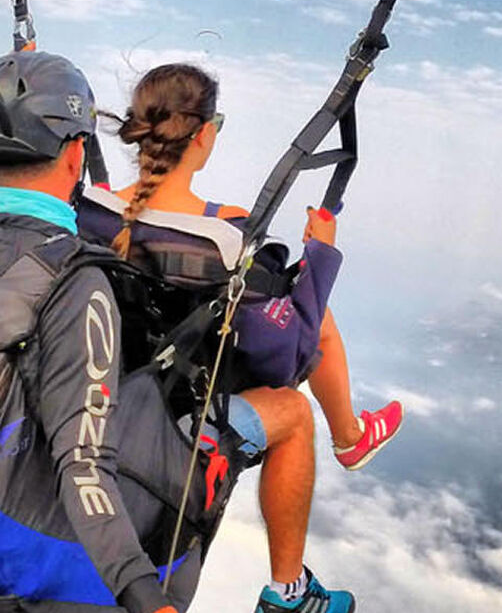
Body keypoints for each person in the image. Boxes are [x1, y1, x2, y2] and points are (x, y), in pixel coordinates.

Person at [0, 51, 355, 613]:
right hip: (69, 604)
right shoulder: (79, 283)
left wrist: (15, 83)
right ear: (76, 154)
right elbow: (85, 467)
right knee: (288, 412)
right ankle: (287, 591)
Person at [108, 62, 404, 483]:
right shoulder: (224, 237)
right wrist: (321, 253)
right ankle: (349, 436)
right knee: (316, 323)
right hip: (183, 407)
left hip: (107, 382)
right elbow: (288, 354)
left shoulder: (92, 209)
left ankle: (350, 436)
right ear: (204, 134)